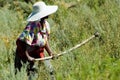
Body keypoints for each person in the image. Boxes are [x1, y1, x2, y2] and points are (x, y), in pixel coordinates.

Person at [14, 1, 58, 80]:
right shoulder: (32, 26)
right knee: (32, 74)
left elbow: (45, 41)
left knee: (50, 70)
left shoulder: (46, 24)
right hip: (25, 53)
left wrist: (50, 53)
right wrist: (28, 57)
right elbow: (22, 43)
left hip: (38, 52)